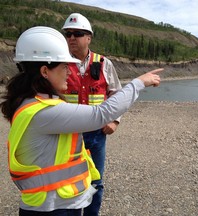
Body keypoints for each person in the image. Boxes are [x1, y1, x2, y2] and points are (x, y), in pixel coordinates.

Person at [0, 26, 163, 216]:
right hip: (54, 208)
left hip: (52, 203)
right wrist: (139, 83)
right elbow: (101, 114)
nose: (70, 72)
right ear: (45, 71)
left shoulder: (31, 103)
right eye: (64, 66)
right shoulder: (44, 112)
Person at [61, 13, 122, 215]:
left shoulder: (104, 63)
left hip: (96, 135)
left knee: (96, 182)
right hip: (66, 135)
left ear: (89, 38)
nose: (71, 38)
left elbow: (117, 94)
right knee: (66, 182)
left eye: (77, 34)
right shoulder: (58, 63)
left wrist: (114, 121)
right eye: (67, 34)